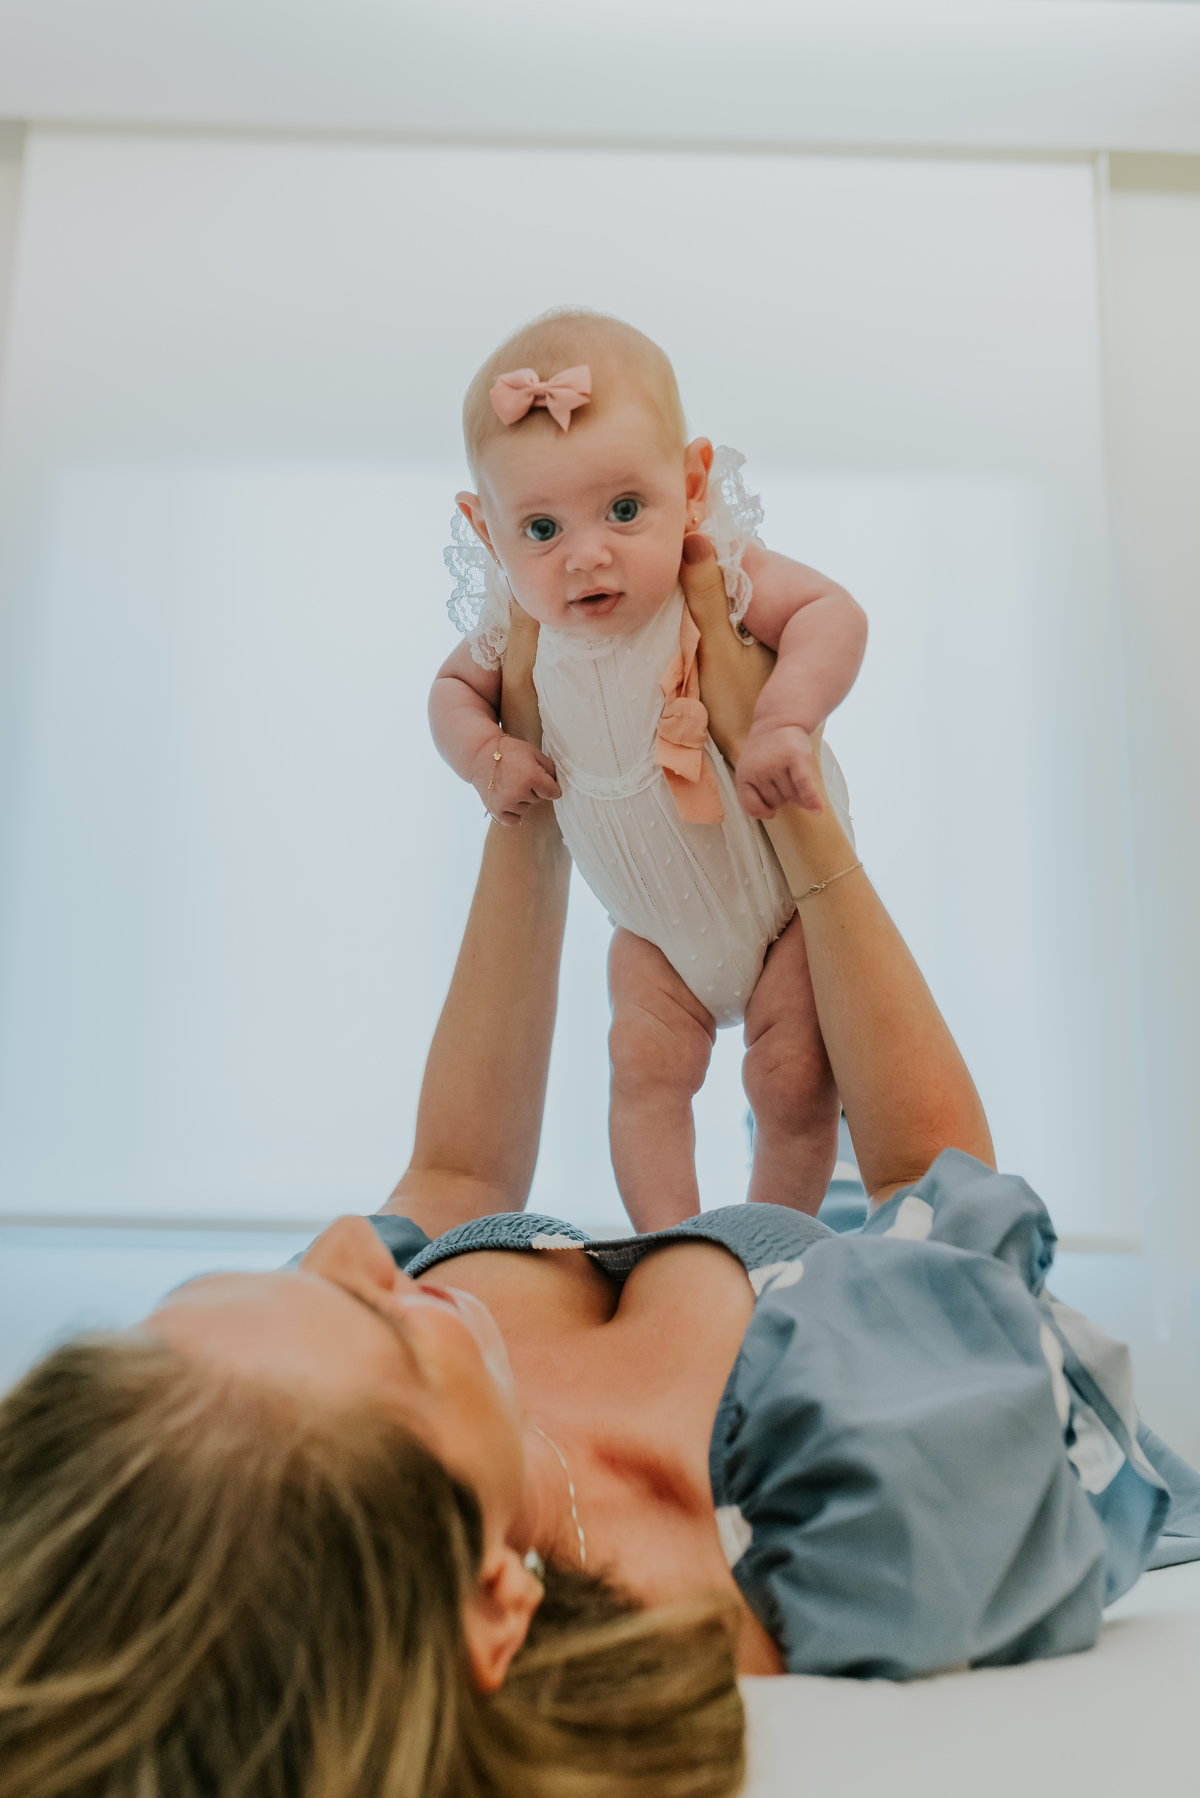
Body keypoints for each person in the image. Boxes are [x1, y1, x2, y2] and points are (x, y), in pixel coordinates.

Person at [2, 548, 1195, 1798]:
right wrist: (780, 790)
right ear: (489, 1598)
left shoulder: (265, 1426)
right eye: (387, 1328)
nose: (348, 1252)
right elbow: (936, 1185)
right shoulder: (855, 1514)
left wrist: (536, 749)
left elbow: (452, 1173)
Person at [431, 307, 867, 1228]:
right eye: (541, 529)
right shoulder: (521, 632)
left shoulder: (723, 575)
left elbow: (833, 613)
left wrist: (787, 721)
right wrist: (488, 755)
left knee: (792, 1077)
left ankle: (769, 1240)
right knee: (643, 1070)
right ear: (486, 532)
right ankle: (668, 1247)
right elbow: (449, 696)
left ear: (692, 484)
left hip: (780, 901)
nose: (588, 554)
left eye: (625, 511)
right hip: (652, 933)